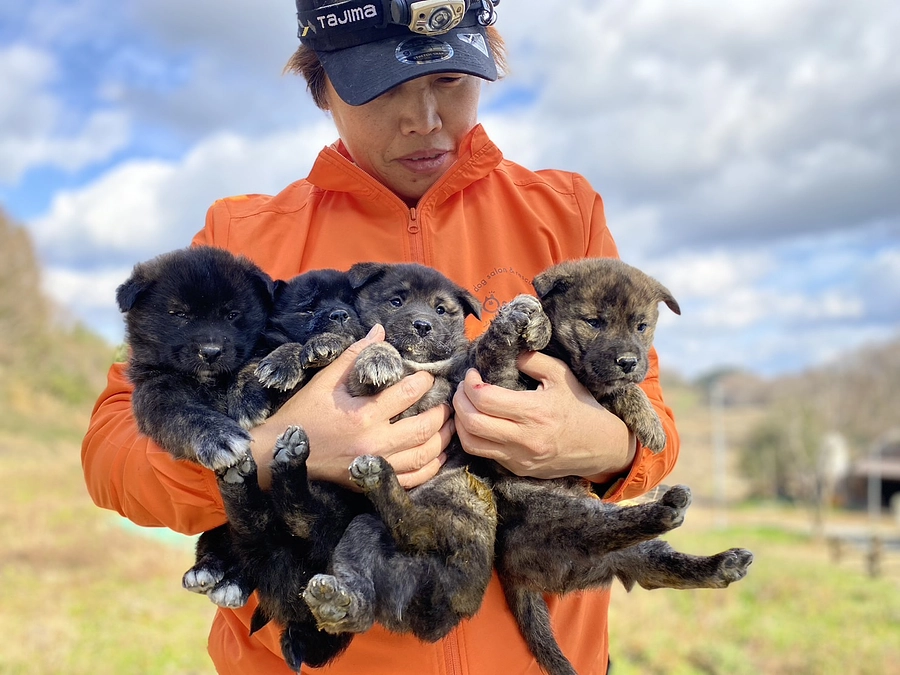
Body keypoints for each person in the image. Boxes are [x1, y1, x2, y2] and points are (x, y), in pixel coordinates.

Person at [81, 1, 680, 673]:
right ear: (321, 85)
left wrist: (596, 443)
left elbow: (655, 430)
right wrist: (275, 453)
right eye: (382, 87)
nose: (423, 118)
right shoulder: (240, 239)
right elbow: (111, 457)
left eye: (450, 79)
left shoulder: (565, 214)